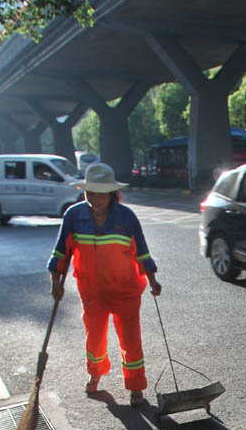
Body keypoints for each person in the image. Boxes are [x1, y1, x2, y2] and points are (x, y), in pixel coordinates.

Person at [47, 161, 161, 406]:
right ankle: (95, 373)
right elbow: (60, 252)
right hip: (91, 289)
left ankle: (136, 386)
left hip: (125, 288)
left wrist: (152, 280)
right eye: (90, 193)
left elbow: (142, 252)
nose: (94, 199)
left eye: (100, 194)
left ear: (111, 194)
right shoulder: (74, 216)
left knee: (130, 339)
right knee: (94, 336)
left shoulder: (126, 217)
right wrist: (55, 281)